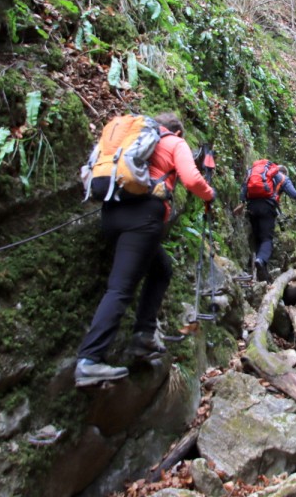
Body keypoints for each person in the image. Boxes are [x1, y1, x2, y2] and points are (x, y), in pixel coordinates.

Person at [75, 112, 215, 387]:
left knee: (162, 269)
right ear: (178, 132)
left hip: (111, 212)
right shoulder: (174, 143)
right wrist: (210, 194)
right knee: (120, 288)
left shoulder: (132, 139)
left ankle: (144, 335)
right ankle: (89, 360)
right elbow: (191, 178)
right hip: (143, 219)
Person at [241, 163, 296, 282]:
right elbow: (294, 194)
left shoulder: (258, 174)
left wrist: (242, 202)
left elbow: (244, 187)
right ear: (284, 172)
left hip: (252, 207)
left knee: (258, 238)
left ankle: (262, 275)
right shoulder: (283, 178)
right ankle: (260, 261)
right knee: (266, 239)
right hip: (267, 208)